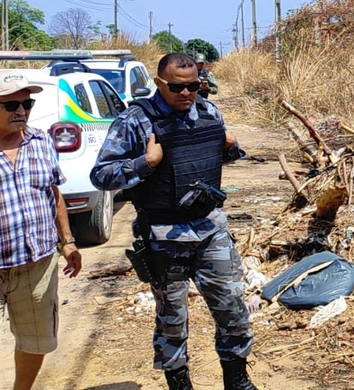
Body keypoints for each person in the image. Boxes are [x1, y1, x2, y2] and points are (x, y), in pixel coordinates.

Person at [91, 53, 255, 390]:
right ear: (158, 83)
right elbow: (101, 176)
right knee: (172, 321)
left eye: (193, 86)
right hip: (162, 236)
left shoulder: (209, 112)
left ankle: (237, 380)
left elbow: (221, 155)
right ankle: (180, 385)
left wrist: (233, 147)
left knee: (234, 309)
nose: (186, 93)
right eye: (178, 87)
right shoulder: (136, 120)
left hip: (211, 229)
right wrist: (145, 163)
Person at [0, 73, 83, 390]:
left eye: (26, 103)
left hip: (37, 264)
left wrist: (68, 242)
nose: (20, 110)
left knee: (36, 341)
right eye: (11, 104)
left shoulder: (41, 142)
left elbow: (54, 194)